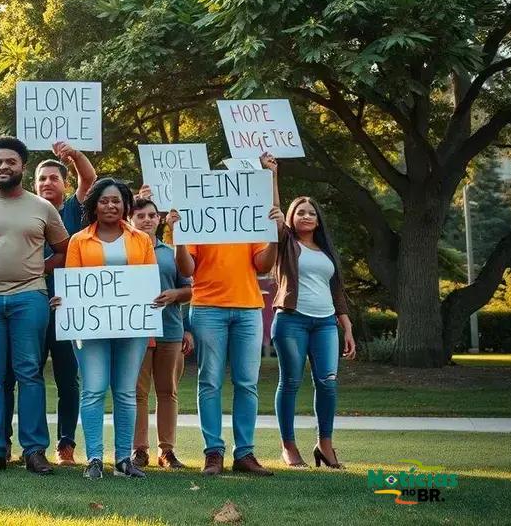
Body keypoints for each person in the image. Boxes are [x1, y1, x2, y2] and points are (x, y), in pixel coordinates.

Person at [0, 135, 69, 475]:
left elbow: (64, 251)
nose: (3, 167)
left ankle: (34, 451)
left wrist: (38, 268)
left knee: (29, 373)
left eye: (10, 161)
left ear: (22, 166)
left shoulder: (42, 208)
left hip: (29, 298)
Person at [168, 152, 282, 476]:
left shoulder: (250, 219)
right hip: (207, 309)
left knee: (247, 383)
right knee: (210, 381)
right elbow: (187, 268)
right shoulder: (197, 220)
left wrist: (273, 234)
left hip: (247, 309)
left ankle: (244, 454)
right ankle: (213, 453)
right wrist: (179, 238)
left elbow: (264, 265)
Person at [50, 179, 155, 479]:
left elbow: (147, 281)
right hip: (91, 327)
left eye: (117, 201)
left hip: (131, 326)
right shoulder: (79, 241)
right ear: (94, 205)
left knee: (125, 392)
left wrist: (154, 299)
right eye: (105, 200)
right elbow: (72, 282)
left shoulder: (141, 240)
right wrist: (63, 299)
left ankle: (123, 460)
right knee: (93, 390)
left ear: (126, 205)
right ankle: (94, 457)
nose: (111, 206)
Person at [272, 195, 356, 469]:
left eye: (311, 213)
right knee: (291, 382)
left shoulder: (326, 251)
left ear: (318, 220)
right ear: (291, 218)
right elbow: (277, 215)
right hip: (292, 321)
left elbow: (336, 291)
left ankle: (325, 445)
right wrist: (273, 174)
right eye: (300, 213)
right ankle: (288, 446)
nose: (306, 216)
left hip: (325, 324)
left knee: (328, 382)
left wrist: (347, 326)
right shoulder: (287, 243)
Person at [33, 143, 96, 465]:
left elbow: (90, 178)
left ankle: (66, 444)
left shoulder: (72, 211)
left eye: (53, 178)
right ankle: (35, 445)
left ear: (64, 184)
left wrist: (73, 155)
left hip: (68, 310)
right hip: (29, 305)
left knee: (68, 379)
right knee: (28, 377)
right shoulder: (25, 211)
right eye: (41, 178)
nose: (47, 183)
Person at [129, 194, 194, 469]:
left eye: (151, 215)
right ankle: (138, 450)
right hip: (135, 331)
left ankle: (166, 450)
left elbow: (191, 289)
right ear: (130, 219)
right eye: (140, 215)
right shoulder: (123, 250)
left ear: (159, 219)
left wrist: (175, 295)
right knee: (137, 393)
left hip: (169, 329)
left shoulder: (172, 253)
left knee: (168, 391)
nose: (146, 220)